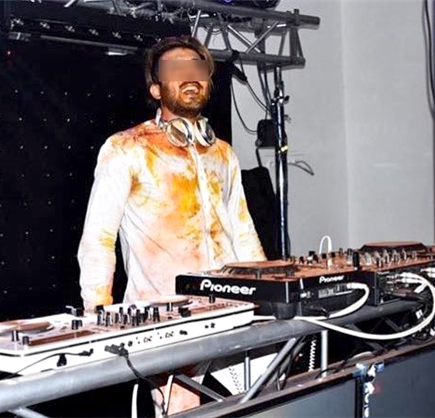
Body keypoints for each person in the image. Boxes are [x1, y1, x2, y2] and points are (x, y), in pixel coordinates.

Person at [77, 35, 266, 416]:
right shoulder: (127, 148)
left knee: (268, 399)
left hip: (232, 308)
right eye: (176, 69)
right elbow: (98, 238)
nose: (190, 75)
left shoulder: (223, 153)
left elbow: (243, 232)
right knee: (182, 410)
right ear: (155, 88)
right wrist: (99, 314)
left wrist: (267, 296)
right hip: (165, 316)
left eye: (198, 68)